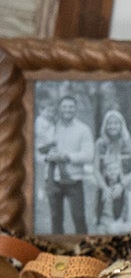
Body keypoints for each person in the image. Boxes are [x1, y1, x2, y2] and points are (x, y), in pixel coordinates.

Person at [41, 90, 95, 232]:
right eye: (64, 107)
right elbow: (38, 149)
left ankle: (84, 245)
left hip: (74, 180)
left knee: (79, 217)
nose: (67, 110)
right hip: (53, 180)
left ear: (76, 109)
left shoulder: (83, 129)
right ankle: (56, 245)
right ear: (59, 108)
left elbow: (89, 155)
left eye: (71, 107)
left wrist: (67, 157)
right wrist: (47, 157)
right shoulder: (50, 127)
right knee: (56, 218)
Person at [93, 106, 131, 230]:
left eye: (116, 123)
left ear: (121, 125)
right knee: (103, 227)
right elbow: (96, 170)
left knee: (125, 228)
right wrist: (105, 188)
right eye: (109, 123)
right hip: (105, 190)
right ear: (105, 126)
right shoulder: (100, 144)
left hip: (126, 190)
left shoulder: (130, 143)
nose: (112, 126)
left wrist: (121, 185)